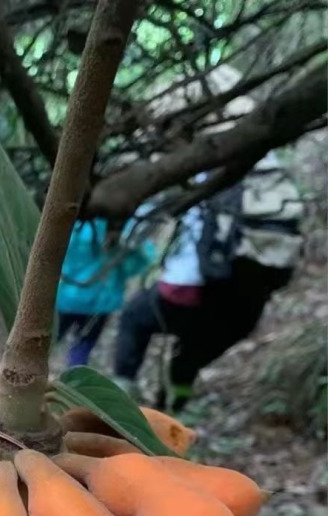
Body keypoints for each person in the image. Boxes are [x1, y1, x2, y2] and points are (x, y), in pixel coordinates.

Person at [113, 151, 304, 410]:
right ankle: (174, 412)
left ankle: (120, 403)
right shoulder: (274, 182)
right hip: (244, 309)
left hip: (190, 291)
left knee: (133, 319)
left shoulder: (212, 173)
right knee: (189, 355)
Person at [55, 216, 154, 368]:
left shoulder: (126, 234)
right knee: (54, 340)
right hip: (75, 301)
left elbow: (134, 266)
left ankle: (72, 380)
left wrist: (125, 249)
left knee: (79, 348)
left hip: (91, 304)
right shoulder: (81, 227)